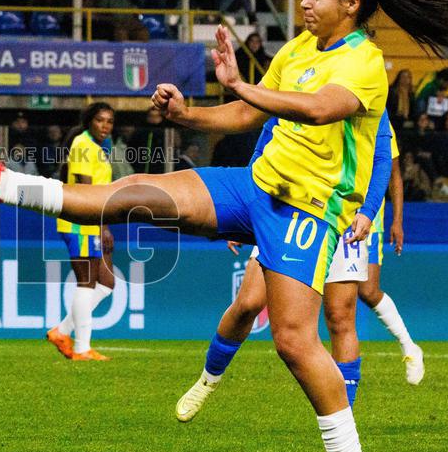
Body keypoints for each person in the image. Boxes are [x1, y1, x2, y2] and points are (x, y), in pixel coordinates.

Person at [0, 0, 448, 452]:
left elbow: (319, 109)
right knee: (130, 198)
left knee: (294, 341)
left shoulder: (363, 62)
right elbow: (249, 115)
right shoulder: (300, 47)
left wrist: (241, 84)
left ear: (351, 4)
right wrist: (189, 114)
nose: (305, 1)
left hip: (307, 211)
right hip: (253, 186)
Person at [175, 110, 421, 424]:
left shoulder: (365, 87)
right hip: (285, 211)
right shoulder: (298, 80)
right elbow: (268, 136)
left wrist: (370, 211)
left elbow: (383, 159)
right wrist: (249, 205)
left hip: (342, 216)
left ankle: (344, 417)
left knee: (340, 316)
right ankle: (208, 379)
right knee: (248, 303)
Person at [46, 103, 115, 361]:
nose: (105, 126)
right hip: (81, 222)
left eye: (109, 121)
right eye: (100, 120)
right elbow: (87, 193)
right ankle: (81, 348)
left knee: (107, 283)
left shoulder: (96, 147)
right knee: (86, 282)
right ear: (90, 122)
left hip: (92, 221)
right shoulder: (84, 145)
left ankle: (62, 331)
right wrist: (102, 227)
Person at [357, 125, 424, 381]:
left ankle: (409, 346)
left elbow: (394, 175)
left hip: (368, 217)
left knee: (368, 291)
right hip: (329, 210)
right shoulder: (331, 106)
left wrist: (397, 220)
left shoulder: (380, 121)